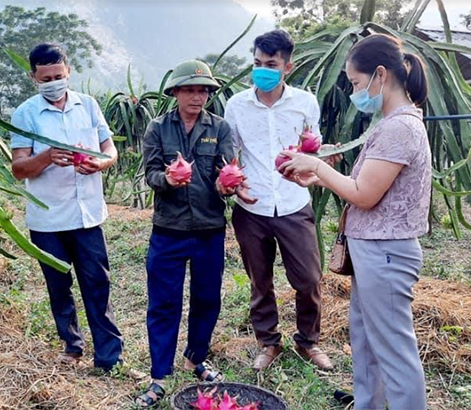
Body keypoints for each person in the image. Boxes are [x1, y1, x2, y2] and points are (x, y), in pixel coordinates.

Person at [280, 33, 430, 410]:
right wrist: (319, 176)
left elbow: (365, 194)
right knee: (367, 343)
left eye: (356, 83)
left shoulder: (400, 127)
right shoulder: (393, 122)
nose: (354, 91)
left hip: (387, 255)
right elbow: (368, 185)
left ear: (381, 75)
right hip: (375, 254)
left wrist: (315, 163)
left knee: (394, 353)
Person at [135, 59, 256, 407]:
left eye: (203, 90)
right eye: (190, 89)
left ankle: (195, 358)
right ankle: (159, 375)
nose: (197, 96)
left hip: (209, 229)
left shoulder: (220, 128)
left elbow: (226, 174)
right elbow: (151, 175)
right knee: (164, 303)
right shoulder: (157, 128)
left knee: (207, 299)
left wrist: (227, 186)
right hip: (168, 230)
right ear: (175, 92)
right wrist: (168, 180)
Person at [223, 29, 334, 371]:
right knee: (260, 280)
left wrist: (318, 165)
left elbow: (311, 147)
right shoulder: (236, 105)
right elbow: (230, 155)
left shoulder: (304, 103)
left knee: (308, 278)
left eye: (270, 64)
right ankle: (268, 343)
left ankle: (308, 342)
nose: (262, 71)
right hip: (251, 206)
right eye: (256, 63)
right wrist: (234, 183)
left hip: (292, 202)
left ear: (288, 66)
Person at [10, 43, 124, 372]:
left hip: (87, 213)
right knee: (59, 286)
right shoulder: (26, 114)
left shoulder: (87, 106)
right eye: (46, 79)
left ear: (68, 71)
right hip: (47, 218)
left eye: (58, 76)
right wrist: (46, 157)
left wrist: (101, 164)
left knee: (97, 283)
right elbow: (18, 169)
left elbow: (108, 148)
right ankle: (72, 346)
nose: (53, 83)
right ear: (34, 77)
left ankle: (109, 356)